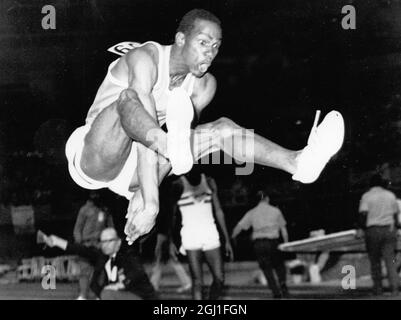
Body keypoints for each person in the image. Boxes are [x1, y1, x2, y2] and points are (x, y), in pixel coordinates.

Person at [65, 8, 345, 245]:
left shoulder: (204, 86)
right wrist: (151, 202)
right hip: (97, 155)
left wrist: (145, 187)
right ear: (180, 39)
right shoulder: (145, 58)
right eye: (203, 42)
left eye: (216, 46)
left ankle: (298, 162)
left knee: (221, 130)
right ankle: (166, 147)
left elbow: (182, 147)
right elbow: (142, 121)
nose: (210, 53)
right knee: (130, 100)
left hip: (145, 164)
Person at [42, 228, 158, 300]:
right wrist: (57, 242)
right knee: (105, 294)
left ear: (118, 242)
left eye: (109, 241)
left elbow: (137, 272)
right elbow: (80, 249)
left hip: (140, 296)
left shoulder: (127, 256)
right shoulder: (102, 257)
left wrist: (121, 285)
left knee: (107, 294)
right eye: (102, 242)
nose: (105, 245)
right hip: (117, 295)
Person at [175, 168, 233, 300]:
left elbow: (218, 210)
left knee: (220, 278)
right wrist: (171, 240)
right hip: (190, 235)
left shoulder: (209, 181)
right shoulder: (178, 184)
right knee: (197, 282)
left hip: (210, 233)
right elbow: (171, 214)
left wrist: (227, 239)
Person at [232, 192, 289, 299]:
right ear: (267, 199)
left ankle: (275, 292)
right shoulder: (276, 211)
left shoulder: (252, 212)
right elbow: (284, 230)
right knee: (279, 265)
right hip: (273, 242)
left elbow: (238, 228)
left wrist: (232, 238)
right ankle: (282, 283)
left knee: (266, 269)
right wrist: (285, 244)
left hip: (259, 243)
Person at [357, 174, 400, 296]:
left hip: (373, 230)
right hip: (389, 230)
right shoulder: (390, 195)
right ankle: (395, 289)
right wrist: (395, 227)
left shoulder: (367, 196)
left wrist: (360, 228)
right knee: (390, 261)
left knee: (375, 261)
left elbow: (363, 214)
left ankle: (378, 289)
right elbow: (396, 216)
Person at [149, 177, 192, 293]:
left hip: (164, 233)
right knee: (167, 258)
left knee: (161, 257)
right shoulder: (170, 202)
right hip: (165, 232)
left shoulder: (167, 201)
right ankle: (185, 281)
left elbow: (166, 220)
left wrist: (167, 237)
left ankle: (154, 284)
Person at [73, 193, 114, 299]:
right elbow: (78, 228)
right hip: (86, 243)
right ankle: (83, 295)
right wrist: (79, 242)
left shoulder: (105, 210)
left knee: (101, 271)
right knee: (84, 271)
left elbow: (110, 227)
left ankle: (99, 295)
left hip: (100, 245)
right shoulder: (84, 210)